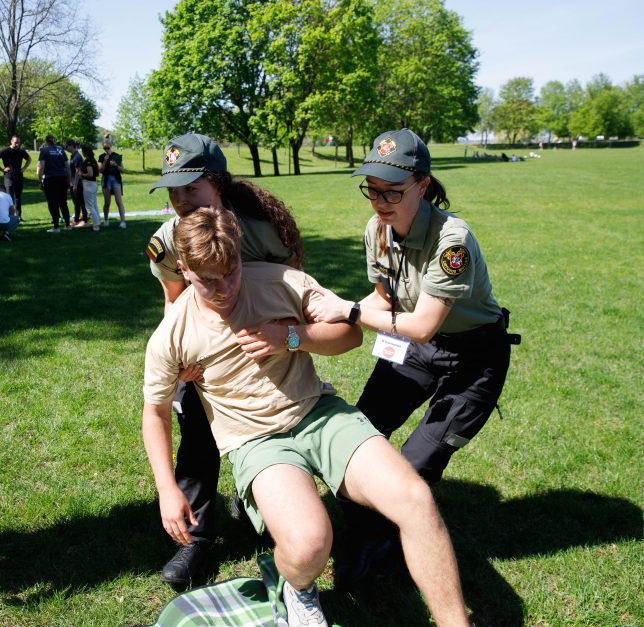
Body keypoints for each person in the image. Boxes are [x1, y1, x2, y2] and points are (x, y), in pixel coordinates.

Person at [142, 207, 472, 627]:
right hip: (257, 441)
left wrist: (292, 337)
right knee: (309, 545)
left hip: (319, 413)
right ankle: (296, 587)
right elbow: (154, 413)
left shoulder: (279, 282)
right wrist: (167, 489)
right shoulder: (173, 334)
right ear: (184, 269)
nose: (225, 288)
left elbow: (349, 334)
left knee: (415, 500)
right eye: (209, 279)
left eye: (232, 272)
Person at [305, 128, 516, 585]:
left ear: (422, 184)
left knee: (417, 463)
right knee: (358, 437)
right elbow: (384, 299)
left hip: (474, 359)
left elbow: (422, 323)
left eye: (392, 191)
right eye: (372, 189)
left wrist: (350, 311)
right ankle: (367, 533)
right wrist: (324, 313)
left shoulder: (452, 241)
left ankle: (381, 536)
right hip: (417, 351)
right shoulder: (377, 231)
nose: (379, 201)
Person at [145, 132, 304, 586]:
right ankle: (195, 539)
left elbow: (290, 286)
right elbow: (173, 302)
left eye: (190, 188)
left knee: (273, 426)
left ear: (217, 184)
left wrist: (281, 339)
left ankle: (261, 498)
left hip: (264, 347)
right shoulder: (167, 241)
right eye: (173, 190)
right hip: (206, 358)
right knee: (197, 433)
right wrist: (181, 366)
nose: (180, 200)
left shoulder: (261, 226)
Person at [36, 134, 72, 233]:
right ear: (54, 141)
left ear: (46, 141)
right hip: (62, 178)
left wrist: (40, 180)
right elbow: (67, 167)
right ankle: (68, 225)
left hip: (50, 179)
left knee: (52, 203)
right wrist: (68, 180)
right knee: (63, 202)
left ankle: (56, 227)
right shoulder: (61, 150)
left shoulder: (44, 151)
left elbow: (42, 166)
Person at [0, 135, 30, 219]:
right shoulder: (5, 150)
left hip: (19, 176)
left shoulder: (21, 151)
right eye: (16, 143)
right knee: (9, 198)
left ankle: (18, 216)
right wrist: (2, 169)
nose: (17, 144)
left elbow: (29, 159)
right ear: (11, 142)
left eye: (19, 143)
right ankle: (9, 216)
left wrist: (23, 168)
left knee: (18, 197)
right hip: (8, 177)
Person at [98, 134, 126, 228]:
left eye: (107, 145)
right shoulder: (101, 157)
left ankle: (123, 222)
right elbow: (100, 170)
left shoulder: (117, 156)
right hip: (106, 179)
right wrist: (105, 161)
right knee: (107, 202)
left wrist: (115, 165)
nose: (106, 147)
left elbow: (122, 170)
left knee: (119, 201)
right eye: (104, 146)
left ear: (111, 146)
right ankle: (106, 220)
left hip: (116, 179)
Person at [80, 143, 102, 231]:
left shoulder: (87, 161)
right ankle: (98, 222)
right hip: (93, 184)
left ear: (85, 152)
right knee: (94, 205)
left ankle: (96, 225)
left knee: (89, 206)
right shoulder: (93, 160)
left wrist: (81, 174)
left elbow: (90, 174)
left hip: (88, 184)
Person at [65, 139, 86, 226]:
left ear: (71, 146)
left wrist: (75, 185)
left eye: (66, 146)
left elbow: (78, 172)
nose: (66, 148)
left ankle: (84, 220)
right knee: (76, 203)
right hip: (72, 183)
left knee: (80, 202)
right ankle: (77, 219)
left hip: (77, 184)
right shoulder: (73, 156)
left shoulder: (77, 157)